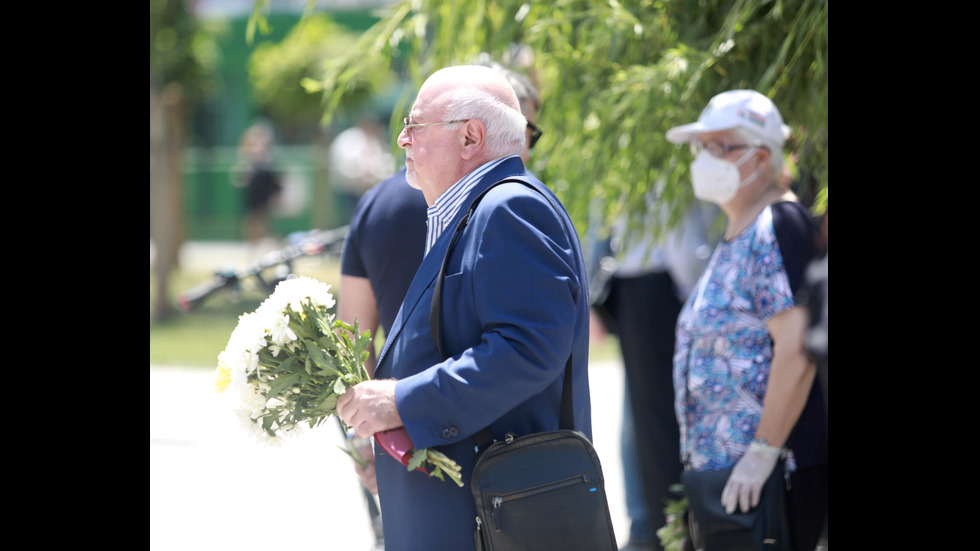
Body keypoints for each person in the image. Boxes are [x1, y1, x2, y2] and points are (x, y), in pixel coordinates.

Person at [336, 64, 591, 551]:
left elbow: (527, 349)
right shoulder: (477, 210)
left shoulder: (509, 208)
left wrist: (400, 401)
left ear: (471, 136)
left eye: (414, 126)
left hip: (495, 519)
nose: (402, 140)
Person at [665, 89, 828, 551]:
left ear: (760, 158)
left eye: (720, 147)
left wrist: (764, 451)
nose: (704, 159)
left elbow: (798, 349)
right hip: (729, 481)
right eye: (702, 147)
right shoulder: (740, 228)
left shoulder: (781, 224)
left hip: (775, 478)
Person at [587, 198, 716, 551]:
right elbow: (676, 230)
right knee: (659, 424)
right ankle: (667, 533)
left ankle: (656, 528)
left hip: (645, 286)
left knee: (644, 420)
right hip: (662, 287)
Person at [234, 123, 282, 247]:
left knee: (263, 220)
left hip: (264, 192)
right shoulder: (247, 157)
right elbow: (240, 178)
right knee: (253, 220)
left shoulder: (268, 156)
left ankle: (268, 241)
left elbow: (273, 177)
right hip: (254, 193)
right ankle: (254, 243)